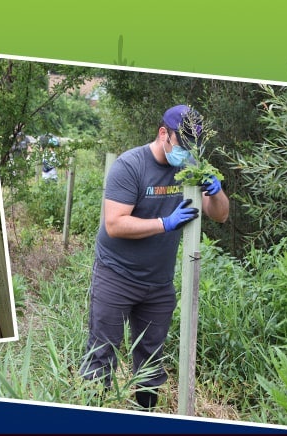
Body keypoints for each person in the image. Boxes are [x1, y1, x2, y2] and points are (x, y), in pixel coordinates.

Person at [79, 104, 229, 410]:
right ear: (164, 134)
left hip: (158, 283)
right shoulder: (130, 166)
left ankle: (145, 413)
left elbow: (221, 216)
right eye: (182, 145)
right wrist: (165, 223)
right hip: (115, 276)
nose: (187, 153)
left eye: (193, 147)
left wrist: (216, 193)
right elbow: (114, 223)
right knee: (101, 354)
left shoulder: (191, 168)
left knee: (150, 359)